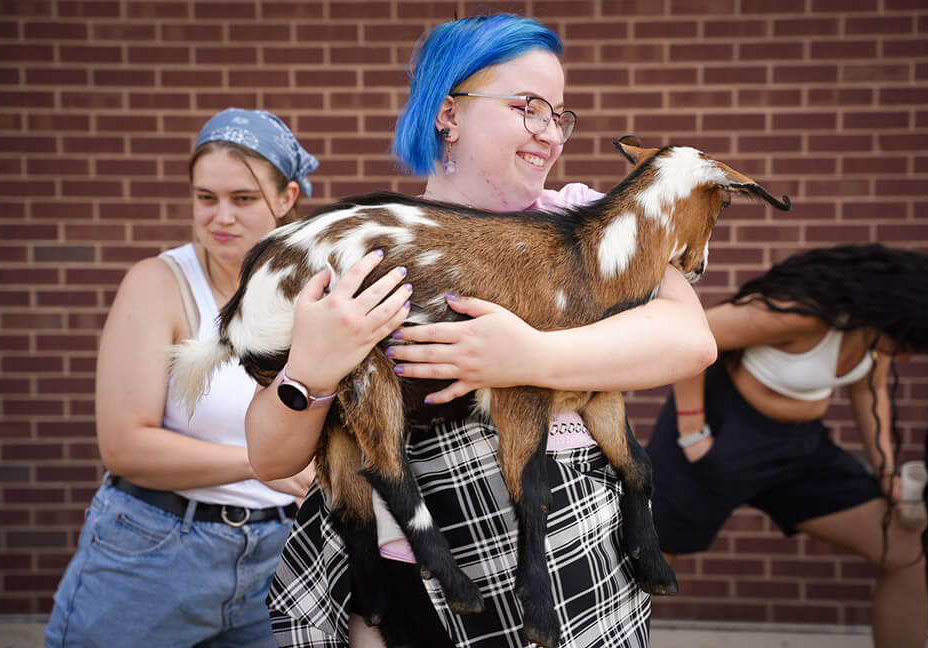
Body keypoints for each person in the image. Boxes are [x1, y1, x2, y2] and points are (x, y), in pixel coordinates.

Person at [246, 14, 717, 648]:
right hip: (409, 579)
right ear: (448, 113)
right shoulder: (365, 247)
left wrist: (529, 355)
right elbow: (270, 456)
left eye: (558, 115)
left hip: (568, 563)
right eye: (529, 107)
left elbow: (691, 341)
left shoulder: (585, 219)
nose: (550, 133)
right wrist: (312, 372)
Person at [45, 108, 325, 648]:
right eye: (205, 198)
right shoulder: (159, 282)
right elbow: (125, 447)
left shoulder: (313, 293)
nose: (220, 217)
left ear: (287, 198)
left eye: (243, 199)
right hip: (154, 555)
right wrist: (266, 460)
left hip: (281, 558)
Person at [647, 244, 928, 648]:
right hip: (716, 436)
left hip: (800, 449)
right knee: (647, 569)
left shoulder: (877, 332)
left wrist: (886, 471)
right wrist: (692, 431)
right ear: (898, 316)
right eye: (913, 345)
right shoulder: (803, 312)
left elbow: (870, 391)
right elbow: (695, 334)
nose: (910, 356)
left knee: (912, 552)